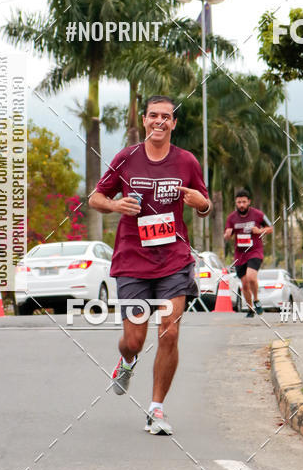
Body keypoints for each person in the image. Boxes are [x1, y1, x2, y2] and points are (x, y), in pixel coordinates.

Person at [89, 95, 211, 436]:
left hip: (173, 258)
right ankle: (127, 361)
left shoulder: (186, 161)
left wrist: (201, 204)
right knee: (135, 339)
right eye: (153, 115)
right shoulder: (126, 158)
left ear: (173, 123)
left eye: (166, 117)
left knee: (169, 331)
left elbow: (204, 203)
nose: (159, 121)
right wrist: (116, 206)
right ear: (144, 120)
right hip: (132, 259)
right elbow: (95, 198)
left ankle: (156, 408)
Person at [224, 190, 272, 317]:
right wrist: (227, 235)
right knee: (244, 284)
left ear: (249, 202)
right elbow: (226, 234)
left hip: (255, 251)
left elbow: (271, 228)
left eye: (244, 202)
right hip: (240, 254)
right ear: (236, 202)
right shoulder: (231, 218)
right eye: (239, 202)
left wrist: (259, 230)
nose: (241, 205)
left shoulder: (258, 214)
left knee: (251, 277)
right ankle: (250, 308)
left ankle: (256, 299)